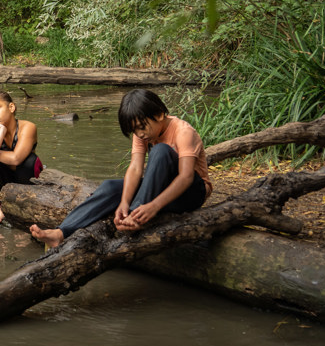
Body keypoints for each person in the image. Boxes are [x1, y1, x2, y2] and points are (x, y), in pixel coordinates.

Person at [30, 89, 211, 248]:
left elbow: (186, 177)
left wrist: (152, 206)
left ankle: (135, 217)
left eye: (141, 127)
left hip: (192, 192)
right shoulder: (142, 134)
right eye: (134, 130)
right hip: (161, 188)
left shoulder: (183, 131)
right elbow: (135, 169)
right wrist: (124, 202)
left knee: (161, 151)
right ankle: (61, 233)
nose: (139, 134)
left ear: (160, 114)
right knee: (110, 187)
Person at [0, 91, 43, 224]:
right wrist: (1, 132)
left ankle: (26, 208)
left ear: (11, 107)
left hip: (27, 178)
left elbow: (16, 158)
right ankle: (4, 206)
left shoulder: (28, 127)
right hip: (5, 178)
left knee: (29, 161)